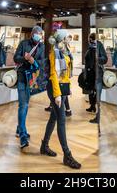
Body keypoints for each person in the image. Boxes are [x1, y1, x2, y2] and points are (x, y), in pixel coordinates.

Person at [40, 29, 81, 169]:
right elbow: (54, 74)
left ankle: (44, 146)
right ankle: (67, 155)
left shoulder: (65, 51)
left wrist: (67, 89)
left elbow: (65, 74)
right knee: (62, 121)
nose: (69, 39)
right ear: (62, 39)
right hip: (54, 89)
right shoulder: (54, 52)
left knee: (53, 118)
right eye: (67, 37)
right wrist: (57, 94)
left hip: (62, 88)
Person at [14, 25, 45, 149]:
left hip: (32, 79)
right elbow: (16, 58)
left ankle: (18, 128)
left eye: (40, 34)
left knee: (25, 103)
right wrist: (24, 58)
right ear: (32, 34)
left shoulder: (42, 47)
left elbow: (42, 63)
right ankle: (22, 135)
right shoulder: (23, 43)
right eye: (36, 33)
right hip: (22, 77)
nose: (38, 35)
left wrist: (33, 62)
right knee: (23, 105)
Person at [84, 33, 108, 124]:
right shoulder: (90, 47)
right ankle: (92, 107)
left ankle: (98, 117)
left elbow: (105, 59)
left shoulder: (99, 45)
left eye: (92, 39)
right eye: (90, 39)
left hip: (97, 74)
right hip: (90, 73)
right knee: (91, 91)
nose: (90, 40)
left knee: (98, 94)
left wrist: (97, 59)